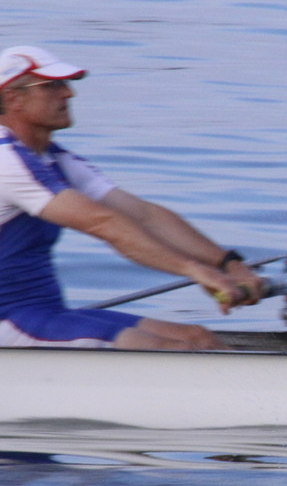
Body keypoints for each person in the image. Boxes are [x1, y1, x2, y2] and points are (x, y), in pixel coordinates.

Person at [0, 45, 264, 350]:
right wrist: (196, 271)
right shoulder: (7, 162)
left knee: (197, 338)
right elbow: (104, 224)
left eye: (66, 84)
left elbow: (143, 215)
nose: (68, 94)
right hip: (7, 320)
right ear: (12, 98)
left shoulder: (54, 160)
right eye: (52, 86)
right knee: (167, 351)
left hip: (41, 314)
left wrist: (228, 265)